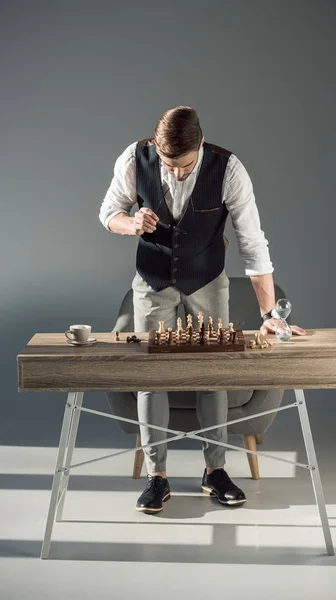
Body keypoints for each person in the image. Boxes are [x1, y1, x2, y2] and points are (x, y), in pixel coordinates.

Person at [99, 106, 307, 514]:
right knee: (151, 377)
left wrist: (269, 316)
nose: (176, 173)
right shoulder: (133, 158)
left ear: (200, 143)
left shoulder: (229, 169)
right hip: (153, 282)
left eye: (185, 166)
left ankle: (215, 472)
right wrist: (131, 223)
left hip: (208, 281)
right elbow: (108, 213)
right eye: (167, 165)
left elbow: (252, 241)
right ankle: (157, 477)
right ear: (156, 149)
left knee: (213, 372)